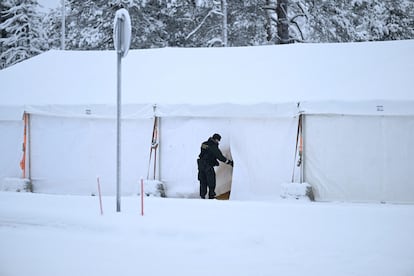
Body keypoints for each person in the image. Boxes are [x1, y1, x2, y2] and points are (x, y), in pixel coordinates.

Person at [197, 133, 233, 199]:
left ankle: (202, 197)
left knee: (203, 181)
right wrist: (229, 162)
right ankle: (211, 196)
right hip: (208, 166)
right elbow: (220, 157)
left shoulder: (204, 144)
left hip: (201, 165)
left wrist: (213, 160)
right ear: (216, 139)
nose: (218, 142)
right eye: (218, 140)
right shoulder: (213, 146)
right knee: (211, 181)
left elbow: (205, 153)